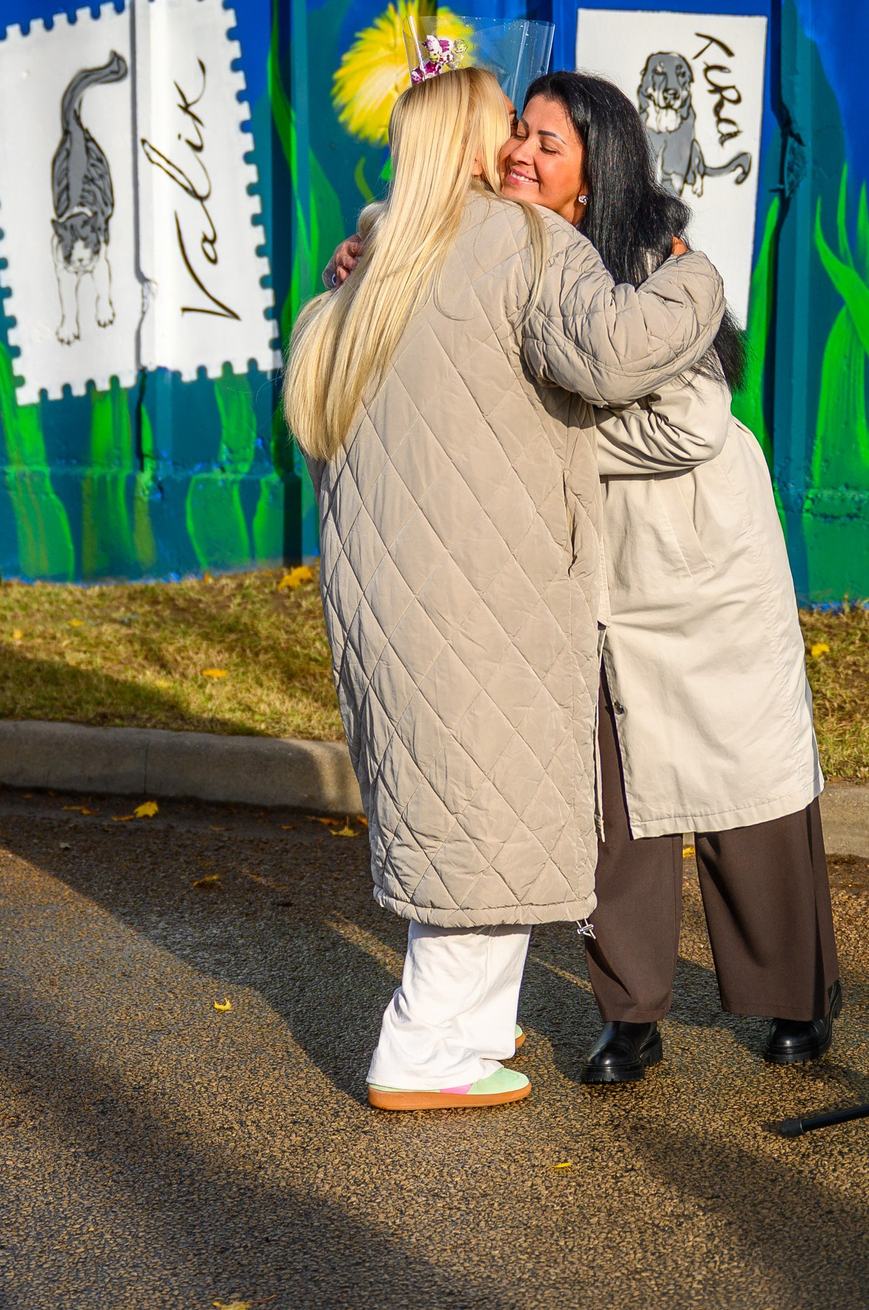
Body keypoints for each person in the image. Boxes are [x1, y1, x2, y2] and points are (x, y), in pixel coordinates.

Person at [328, 71, 840, 1088]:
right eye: (515, 131)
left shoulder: (643, 263)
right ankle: (629, 1012)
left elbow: (687, 421)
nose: (519, 151)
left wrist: (540, 435)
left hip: (692, 560)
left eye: (547, 142)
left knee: (747, 789)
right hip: (578, 572)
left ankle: (792, 992)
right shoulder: (485, 248)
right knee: (609, 799)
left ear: (596, 165)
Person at [283, 62, 725, 1114]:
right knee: (489, 813)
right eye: (505, 132)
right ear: (476, 145)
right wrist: (693, 275)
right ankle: (419, 1044)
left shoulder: (368, 270)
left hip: (387, 596)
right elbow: (620, 352)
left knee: (460, 807)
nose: (517, 150)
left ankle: (466, 1033)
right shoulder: (523, 243)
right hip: (491, 591)